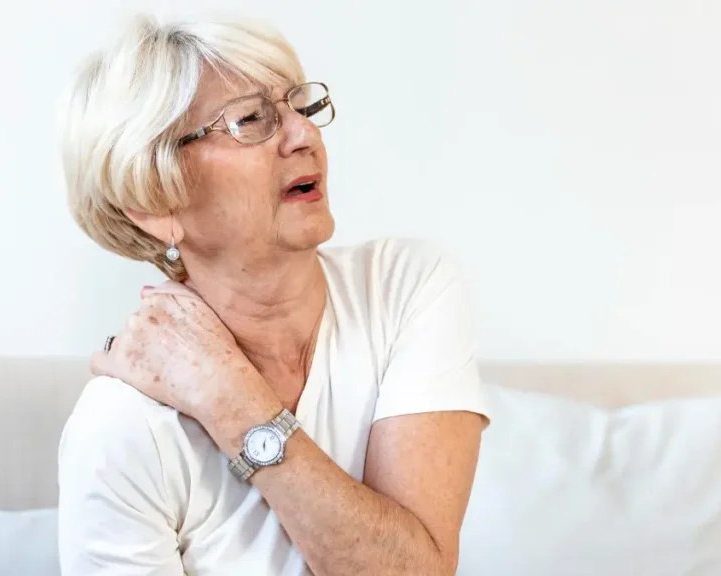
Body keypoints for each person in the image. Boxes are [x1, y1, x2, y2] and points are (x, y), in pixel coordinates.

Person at [57, 14, 489, 576]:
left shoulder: (405, 287)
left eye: (299, 107)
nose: (305, 136)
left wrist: (231, 400)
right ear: (155, 201)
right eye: (250, 121)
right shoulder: (122, 426)